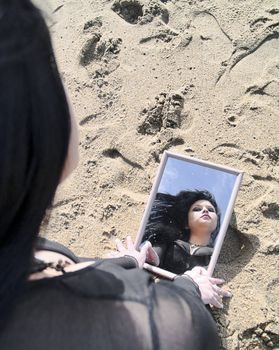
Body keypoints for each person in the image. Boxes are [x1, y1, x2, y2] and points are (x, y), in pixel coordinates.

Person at [0, 1, 230, 349]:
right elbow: (181, 324)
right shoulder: (166, 329)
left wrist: (125, 263)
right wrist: (189, 288)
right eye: (51, 72)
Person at [143, 190, 221, 274]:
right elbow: (152, 260)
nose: (205, 210)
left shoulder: (215, 255)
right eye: (197, 209)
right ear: (186, 223)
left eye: (211, 210)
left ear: (216, 223)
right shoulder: (168, 243)